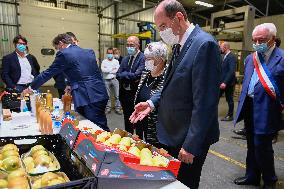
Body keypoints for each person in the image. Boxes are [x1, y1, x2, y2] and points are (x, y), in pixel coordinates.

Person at [130, 0, 221, 188]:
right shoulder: (181, 45)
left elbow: (205, 102)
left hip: (187, 137)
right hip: (173, 132)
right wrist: (151, 103)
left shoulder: (204, 45)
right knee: (172, 182)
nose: (161, 32)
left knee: (185, 183)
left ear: (179, 17)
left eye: (163, 26)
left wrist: (191, 145)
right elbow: (171, 84)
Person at [24, 33, 110, 131]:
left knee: (96, 128)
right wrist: (70, 84)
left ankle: (109, 145)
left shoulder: (64, 54)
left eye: (57, 48)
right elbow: (82, 72)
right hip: (100, 92)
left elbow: (47, 73)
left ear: (61, 43)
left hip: (87, 96)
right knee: (97, 124)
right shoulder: (89, 52)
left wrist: (30, 88)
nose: (58, 50)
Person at [234, 23, 283, 189]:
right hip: (249, 107)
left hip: (268, 110)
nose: (256, 43)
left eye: (261, 40)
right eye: (254, 40)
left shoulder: (282, 58)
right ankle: (252, 175)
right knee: (251, 145)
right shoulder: (250, 58)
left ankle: (270, 180)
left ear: (272, 40)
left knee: (263, 147)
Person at [133, 41, 168, 146]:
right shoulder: (146, 73)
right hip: (140, 120)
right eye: (146, 58)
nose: (146, 61)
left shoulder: (167, 76)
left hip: (157, 129)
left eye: (149, 59)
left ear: (160, 59)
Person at [116, 36, 145, 134]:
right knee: (127, 118)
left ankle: (139, 140)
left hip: (136, 94)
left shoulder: (143, 58)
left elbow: (137, 75)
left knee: (138, 120)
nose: (129, 47)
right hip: (125, 93)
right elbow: (118, 74)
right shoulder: (125, 58)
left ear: (138, 45)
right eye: (127, 45)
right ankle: (128, 137)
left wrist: (125, 74)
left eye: (131, 45)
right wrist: (129, 75)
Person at [53, 32, 78, 98]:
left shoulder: (81, 53)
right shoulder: (61, 54)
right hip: (63, 84)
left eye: (73, 42)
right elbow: (55, 70)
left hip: (77, 86)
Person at [219, 42, 237, 121]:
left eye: (221, 47)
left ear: (225, 47)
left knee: (229, 99)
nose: (220, 49)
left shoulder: (231, 57)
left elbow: (231, 71)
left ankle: (230, 116)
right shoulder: (225, 56)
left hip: (228, 83)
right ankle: (211, 113)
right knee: (216, 97)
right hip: (222, 83)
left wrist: (225, 82)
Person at [101, 48, 122, 114]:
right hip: (106, 80)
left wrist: (107, 69)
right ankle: (108, 109)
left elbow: (116, 70)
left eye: (111, 53)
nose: (110, 54)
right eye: (108, 53)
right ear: (107, 54)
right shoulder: (104, 61)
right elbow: (103, 70)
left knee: (117, 96)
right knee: (108, 96)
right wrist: (112, 69)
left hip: (114, 80)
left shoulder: (116, 61)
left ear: (113, 54)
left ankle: (117, 108)